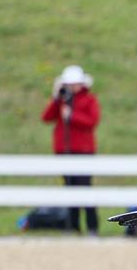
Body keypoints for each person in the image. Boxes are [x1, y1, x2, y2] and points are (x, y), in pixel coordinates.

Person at [42, 65, 102, 233]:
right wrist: (55, 98)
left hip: (83, 150)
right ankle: (72, 226)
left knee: (85, 188)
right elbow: (46, 117)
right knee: (69, 189)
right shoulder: (61, 101)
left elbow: (92, 121)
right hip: (64, 151)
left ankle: (92, 226)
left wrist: (72, 116)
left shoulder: (89, 100)